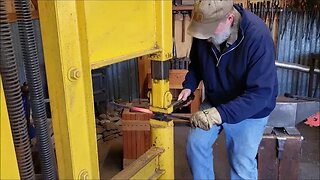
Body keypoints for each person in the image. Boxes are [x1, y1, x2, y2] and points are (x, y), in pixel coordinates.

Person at [177, 0, 278, 179]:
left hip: (249, 108)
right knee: (196, 145)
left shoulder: (257, 37)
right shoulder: (205, 30)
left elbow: (260, 94)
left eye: (209, 31)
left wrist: (218, 114)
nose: (205, 37)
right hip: (217, 99)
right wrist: (189, 86)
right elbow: (197, 64)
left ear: (229, 18)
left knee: (241, 164)